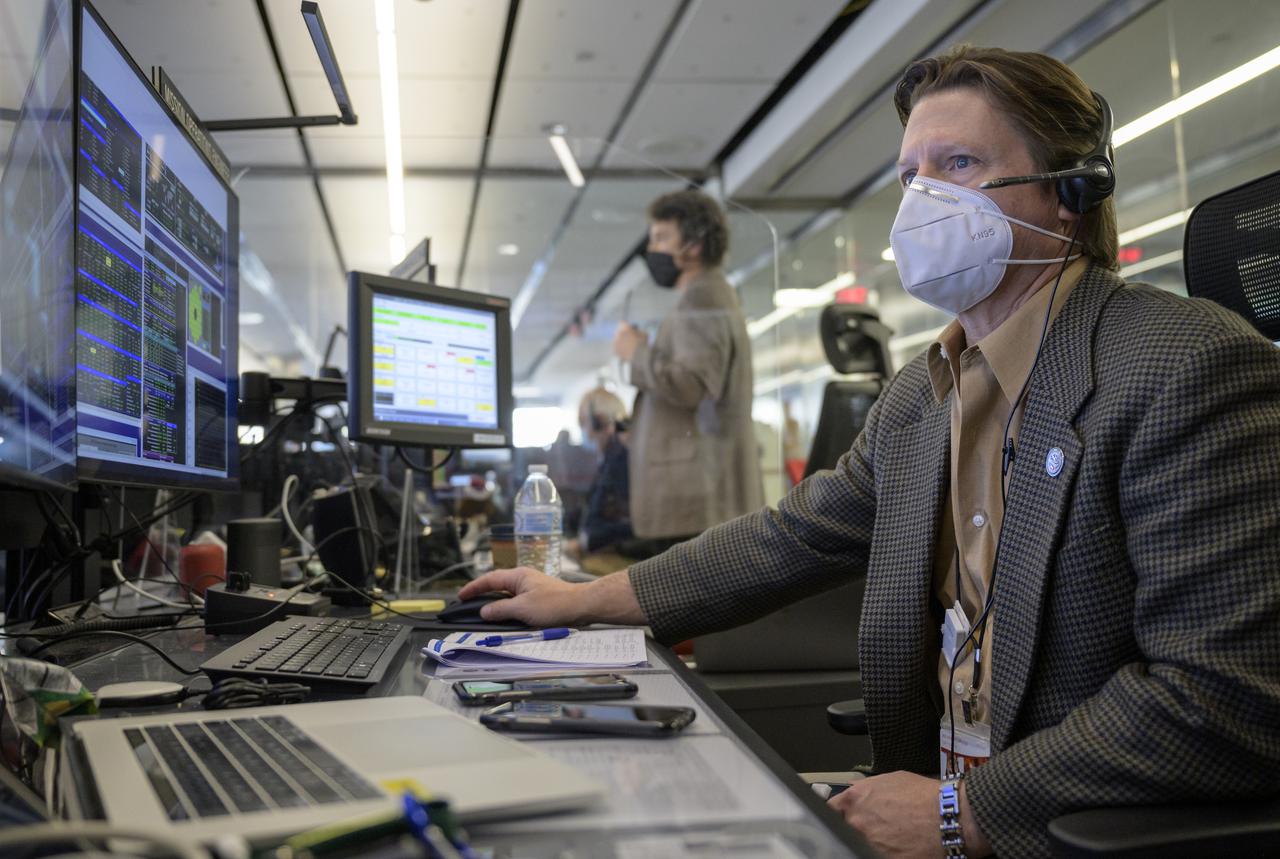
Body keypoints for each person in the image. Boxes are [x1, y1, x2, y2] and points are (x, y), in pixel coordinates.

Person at [460, 45, 1280, 859]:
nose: (922, 197)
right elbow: (790, 538)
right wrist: (581, 599)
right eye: (909, 174)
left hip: (1061, 834)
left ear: (1068, 192)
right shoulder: (922, 397)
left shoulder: (1185, 365)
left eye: (957, 162)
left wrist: (967, 812)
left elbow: (1225, 692)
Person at [611, 190, 763, 546]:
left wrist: (635, 352)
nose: (652, 249)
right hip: (700, 493)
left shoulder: (702, 296)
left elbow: (692, 383)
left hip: (695, 498)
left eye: (662, 237)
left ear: (693, 245)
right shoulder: (708, 295)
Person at [567, 387, 633, 558]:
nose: (583, 430)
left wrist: (585, 540)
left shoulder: (621, 458)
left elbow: (632, 524)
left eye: (583, 422)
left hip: (616, 557)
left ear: (598, 422)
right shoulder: (611, 458)